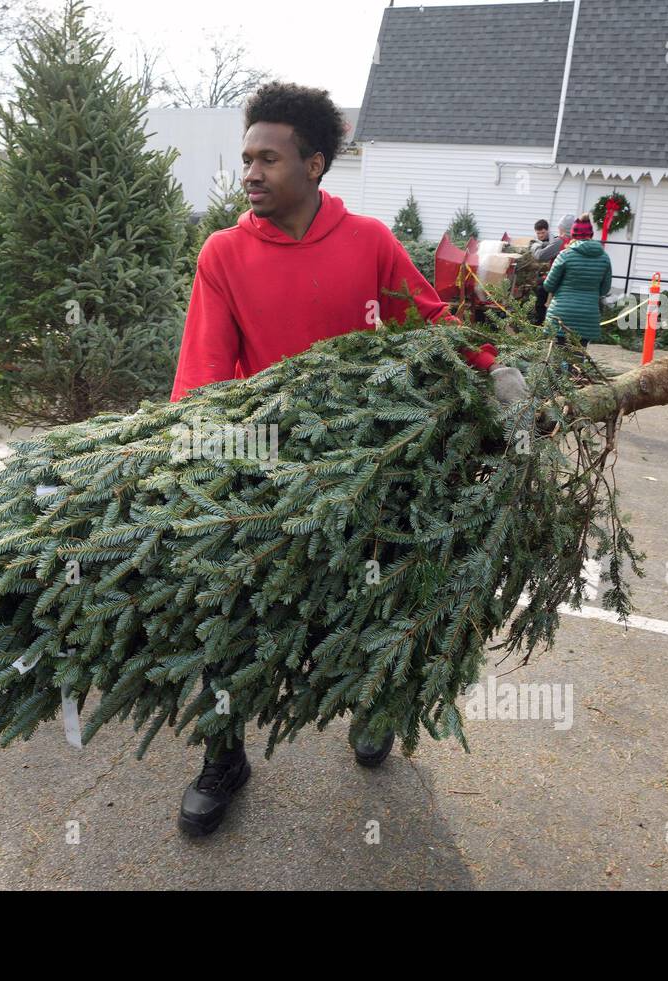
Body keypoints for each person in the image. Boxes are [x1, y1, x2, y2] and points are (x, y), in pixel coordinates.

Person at [169, 81, 529, 837]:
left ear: (316, 164)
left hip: (374, 461)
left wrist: (494, 369)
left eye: (269, 158)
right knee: (228, 616)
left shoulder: (367, 242)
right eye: (246, 159)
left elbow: (429, 324)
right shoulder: (224, 254)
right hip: (264, 469)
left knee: (380, 597)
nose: (252, 172)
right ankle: (223, 753)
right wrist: (193, 456)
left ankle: (377, 704)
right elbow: (202, 373)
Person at [543, 215, 612, 354]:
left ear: (573, 235)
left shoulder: (565, 255)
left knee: (557, 361)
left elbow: (549, 285)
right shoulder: (604, 257)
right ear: (591, 235)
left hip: (561, 315)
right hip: (587, 317)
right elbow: (604, 289)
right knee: (577, 362)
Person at [528, 215, 573, 324]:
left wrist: (535, 245)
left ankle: (540, 322)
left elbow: (540, 256)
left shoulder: (560, 241)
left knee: (539, 287)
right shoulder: (576, 242)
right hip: (572, 279)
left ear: (561, 228)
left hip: (558, 279)